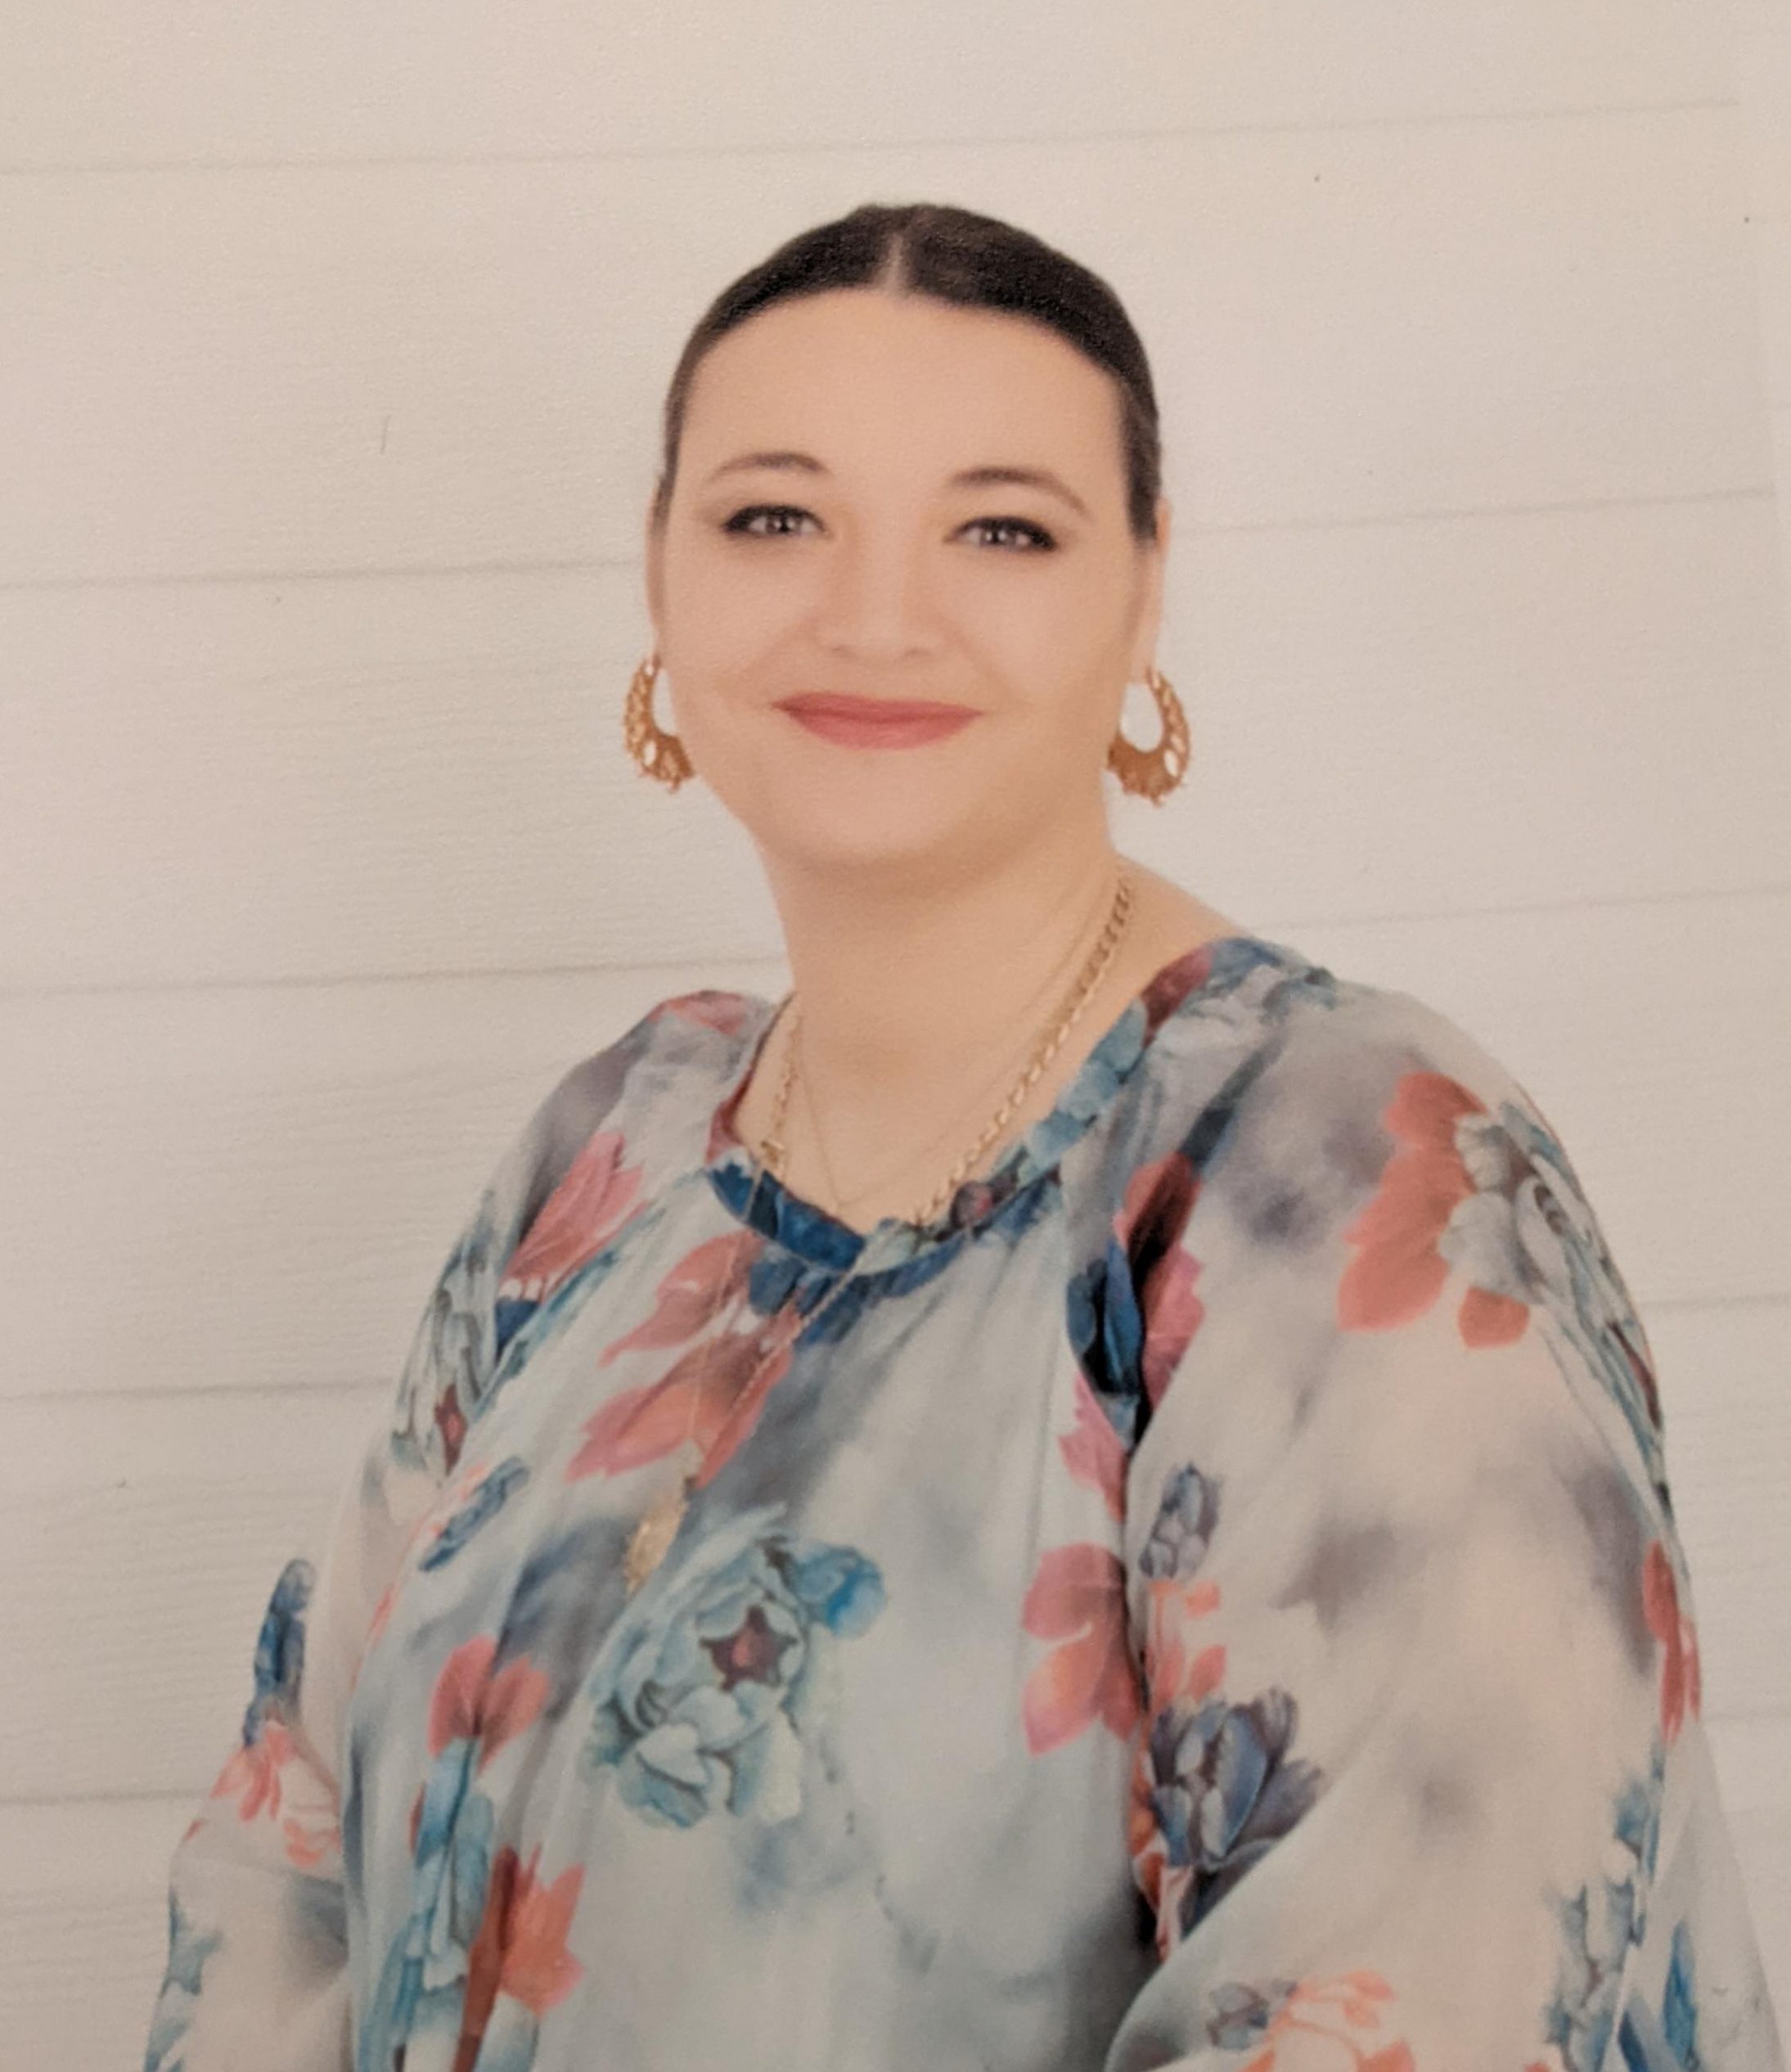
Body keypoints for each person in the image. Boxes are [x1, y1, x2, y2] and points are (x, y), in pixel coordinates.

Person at [142, 200, 1784, 2072]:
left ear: (1146, 590)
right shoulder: (615, 1137)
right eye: (775, 515)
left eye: (1002, 525)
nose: (875, 611)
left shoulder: (1339, 1182)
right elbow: (283, 1852)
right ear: (660, 579)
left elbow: (1429, 2001)